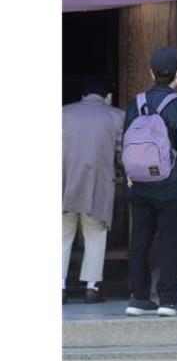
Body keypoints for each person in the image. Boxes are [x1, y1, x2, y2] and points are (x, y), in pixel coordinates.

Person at [123, 47, 177, 317]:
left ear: (151, 72)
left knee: (140, 239)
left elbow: (126, 141)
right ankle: (168, 300)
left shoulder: (136, 103)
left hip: (140, 183)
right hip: (170, 182)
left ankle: (138, 298)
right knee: (170, 240)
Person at [62, 76, 123, 304]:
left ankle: (59, 285)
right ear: (107, 97)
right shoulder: (116, 116)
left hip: (63, 185)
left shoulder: (62, 113)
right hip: (97, 186)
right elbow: (121, 153)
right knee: (95, 235)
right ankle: (92, 287)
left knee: (61, 237)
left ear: (82, 97)